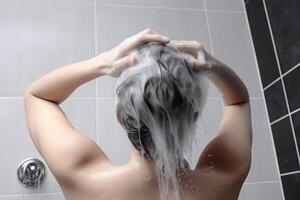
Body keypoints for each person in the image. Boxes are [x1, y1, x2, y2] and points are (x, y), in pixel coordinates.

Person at [24, 28, 252, 200]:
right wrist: (212, 65)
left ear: (119, 115)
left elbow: (38, 96)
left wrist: (103, 62)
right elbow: (238, 102)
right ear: (193, 117)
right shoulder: (221, 181)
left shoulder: (82, 176)